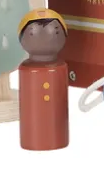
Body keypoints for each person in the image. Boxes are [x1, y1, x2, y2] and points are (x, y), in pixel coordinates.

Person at [18, 9, 69, 151]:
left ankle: (55, 140)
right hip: (31, 138)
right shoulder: (27, 69)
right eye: (32, 33)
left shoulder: (59, 67)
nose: (45, 37)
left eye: (56, 31)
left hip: (58, 137)